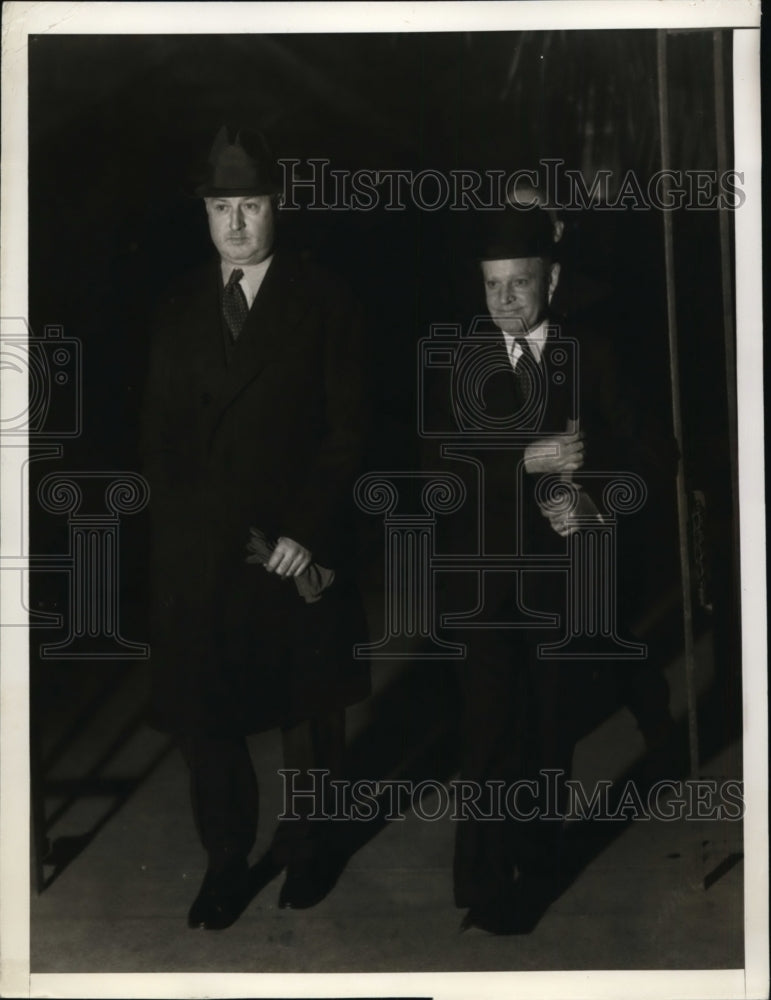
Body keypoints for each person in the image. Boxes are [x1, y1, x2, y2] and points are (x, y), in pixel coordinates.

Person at [140, 125, 370, 930]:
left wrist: (307, 531)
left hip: (292, 542)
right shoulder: (177, 305)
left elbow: (350, 432)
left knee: (308, 711)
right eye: (220, 208)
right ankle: (225, 859)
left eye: (250, 205)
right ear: (204, 215)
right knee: (204, 715)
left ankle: (309, 850)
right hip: (203, 549)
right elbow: (158, 436)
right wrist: (177, 541)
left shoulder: (325, 300)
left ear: (277, 207)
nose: (235, 224)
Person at [425, 206, 676, 934]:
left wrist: (591, 497)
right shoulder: (456, 358)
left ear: (553, 280)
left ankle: (532, 875)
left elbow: (654, 452)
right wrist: (523, 463)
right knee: (484, 728)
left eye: (520, 283)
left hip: (561, 582)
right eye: (492, 285)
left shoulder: (591, 353)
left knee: (545, 731)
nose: (504, 300)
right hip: (479, 581)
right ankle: (479, 881)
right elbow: (434, 468)